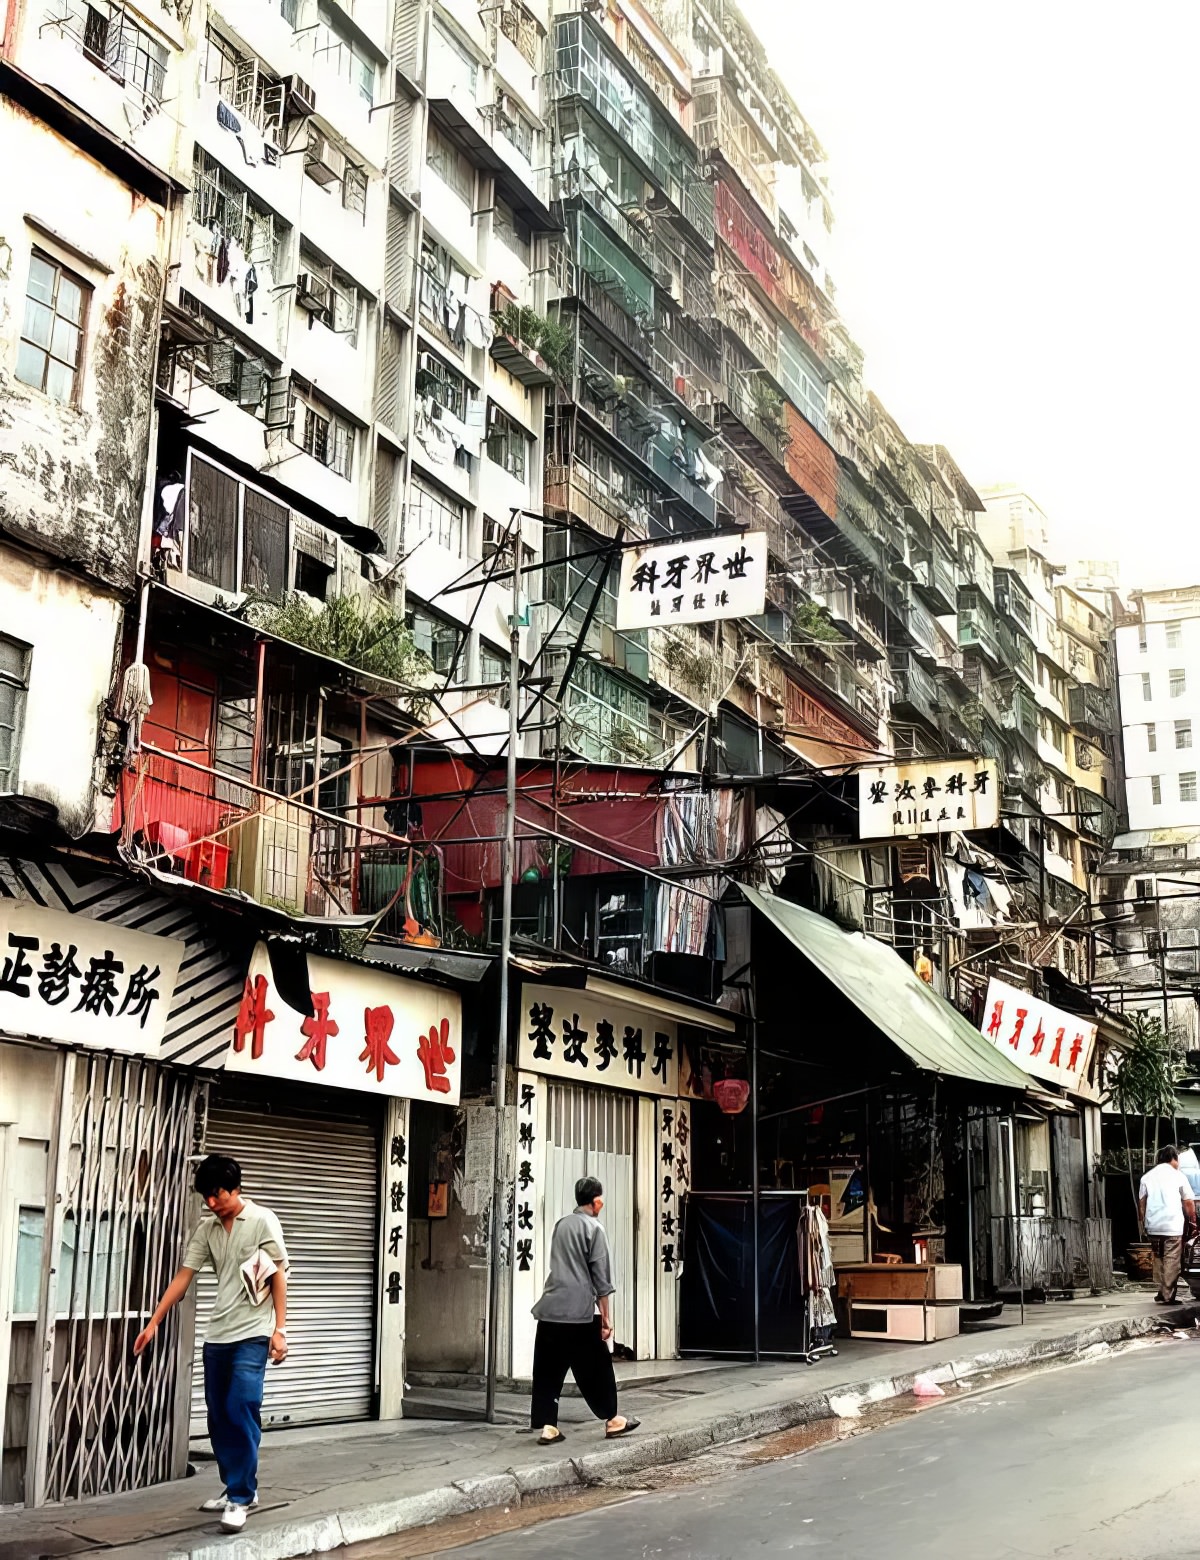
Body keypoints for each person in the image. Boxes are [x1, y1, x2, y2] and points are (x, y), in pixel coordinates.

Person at [133, 1154, 288, 1534]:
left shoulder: (262, 1220)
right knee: (218, 1415)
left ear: (236, 1188)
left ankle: (241, 1495)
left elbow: (279, 1274)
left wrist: (280, 1330)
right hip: (218, 1335)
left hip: (253, 1334)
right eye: (206, 1196)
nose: (211, 1202)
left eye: (216, 1194)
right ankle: (233, 1484)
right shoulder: (207, 1230)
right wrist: (154, 1321)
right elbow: (184, 1277)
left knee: (241, 1406)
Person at [526, 1176, 639, 1446]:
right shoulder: (595, 1228)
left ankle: (548, 1426)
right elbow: (601, 1278)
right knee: (596, 1368)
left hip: (551, 1307)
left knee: (547, 1370)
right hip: (579, 1311)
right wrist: (607, 1319)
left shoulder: (561, 1225)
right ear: (596, 1200)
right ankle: (612, 1419)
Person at [1138, 1144, 1196, 1305]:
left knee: (1159, 1258)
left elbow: (1141, 1203)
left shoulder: (1147, 1177)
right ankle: (1167, 1295)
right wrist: (1193, 1221)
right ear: (1174, 1159)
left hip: (1153, 1226)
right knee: (1172, 1260)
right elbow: (1189, 1202)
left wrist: (1142, 1224)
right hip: (1172, 1226)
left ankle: (1161, 1291)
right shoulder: (1178, 1176)